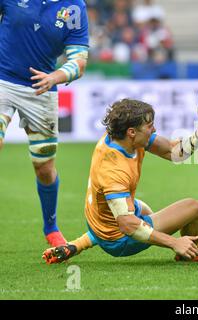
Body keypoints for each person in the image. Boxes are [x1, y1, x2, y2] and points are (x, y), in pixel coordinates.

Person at [42, 99, 198, 264]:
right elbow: (127, 225)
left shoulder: (124, 138)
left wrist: (197, 136)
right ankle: (191, 253)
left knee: (144, 210)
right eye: (149, 126)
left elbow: (173, 151)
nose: (154, 130)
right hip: (118, 239)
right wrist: (174, 242)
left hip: (99, 219)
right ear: (132, 132)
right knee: (194, 207)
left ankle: (77, 244)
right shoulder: (113, 170)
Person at [0, 0, 89, 247]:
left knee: (44, 167)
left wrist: (55, 77)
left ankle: (51, 227)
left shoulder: (74, 7)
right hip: (2, 80)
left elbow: (79, 61)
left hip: (42, 87)